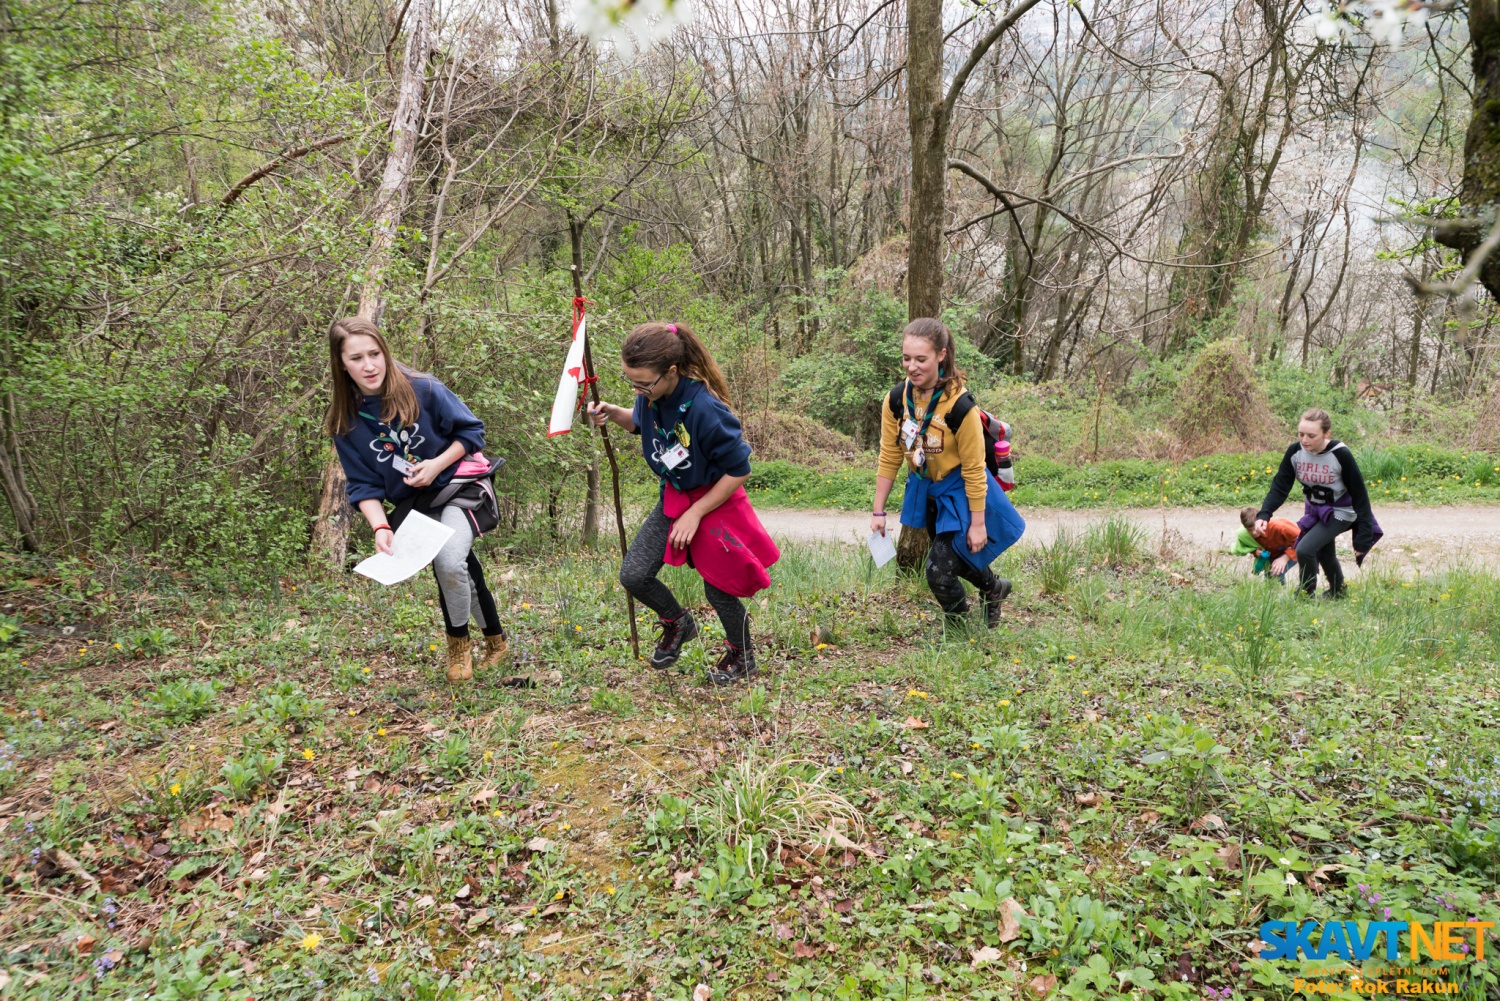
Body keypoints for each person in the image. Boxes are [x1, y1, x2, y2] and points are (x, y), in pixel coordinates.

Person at [588, 322, 778, 686]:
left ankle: (742, 655)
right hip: (675, 499)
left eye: (644, 384)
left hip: (714, 502)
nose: (638, 391)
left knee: (718, 586)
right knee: (634, 575)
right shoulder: (651, 396)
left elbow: (739, 470)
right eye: (632, 383)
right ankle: (678, 623)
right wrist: (614, 412)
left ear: (671, 371)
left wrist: (696, 512)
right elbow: (641, 424)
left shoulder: (706, 409)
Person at [325, 316, 506, 683]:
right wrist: (379, 526)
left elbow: (472, 432)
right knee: (462, 568)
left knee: (448, 560)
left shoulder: (423, 388)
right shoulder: (345, 422)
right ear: (341, 363)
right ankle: (497, 643)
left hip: (458, 486)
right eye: (356, 358)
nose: (369, 365)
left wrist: (435, 463)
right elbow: (363, 486)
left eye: (375, 353)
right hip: (414, 505)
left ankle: (458, 646)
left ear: (385, 352)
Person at [870, 318, 1023, 627]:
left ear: (941, 355)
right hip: (926, 491)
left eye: (920, 359)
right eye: (906, 358)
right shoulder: (897, 400)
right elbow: (889, 456)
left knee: (938, 572)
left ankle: (957, 631)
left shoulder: (960, 407)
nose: (911, 367)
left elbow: (975, 469)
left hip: (961, 492)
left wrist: (978, 524)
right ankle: (995, 589)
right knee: (958, 559)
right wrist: (878, 511)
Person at [1255, 408, 1382, 598]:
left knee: (1304, 549)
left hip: (1342, 511)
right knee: (1325, 552)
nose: (1304, 440)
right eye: (1301, 434)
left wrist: (1364, 535)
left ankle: (1305, 595)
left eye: (1311, 435)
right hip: (1315, 509)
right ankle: (1338, 592)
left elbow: (1360, 495)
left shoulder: (1340, 454)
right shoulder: (1295, 452)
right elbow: (1280, 486)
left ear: (1326, 434)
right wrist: (1264, 513)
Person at [1233, 507, 1298, 581]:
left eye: (1256, 528)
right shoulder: (1245, 535)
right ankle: (1271, 591)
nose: (1254, 532)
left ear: (1261, 521)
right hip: (1273, 554)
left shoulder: (1280, 527)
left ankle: (1282, 591)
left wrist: (1285, 558)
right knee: (1269, 575)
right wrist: (1255, 551)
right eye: (1250, 530)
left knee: (1277, 572)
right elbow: (1245, 546)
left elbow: (1302, 539)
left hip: (1292, 550)